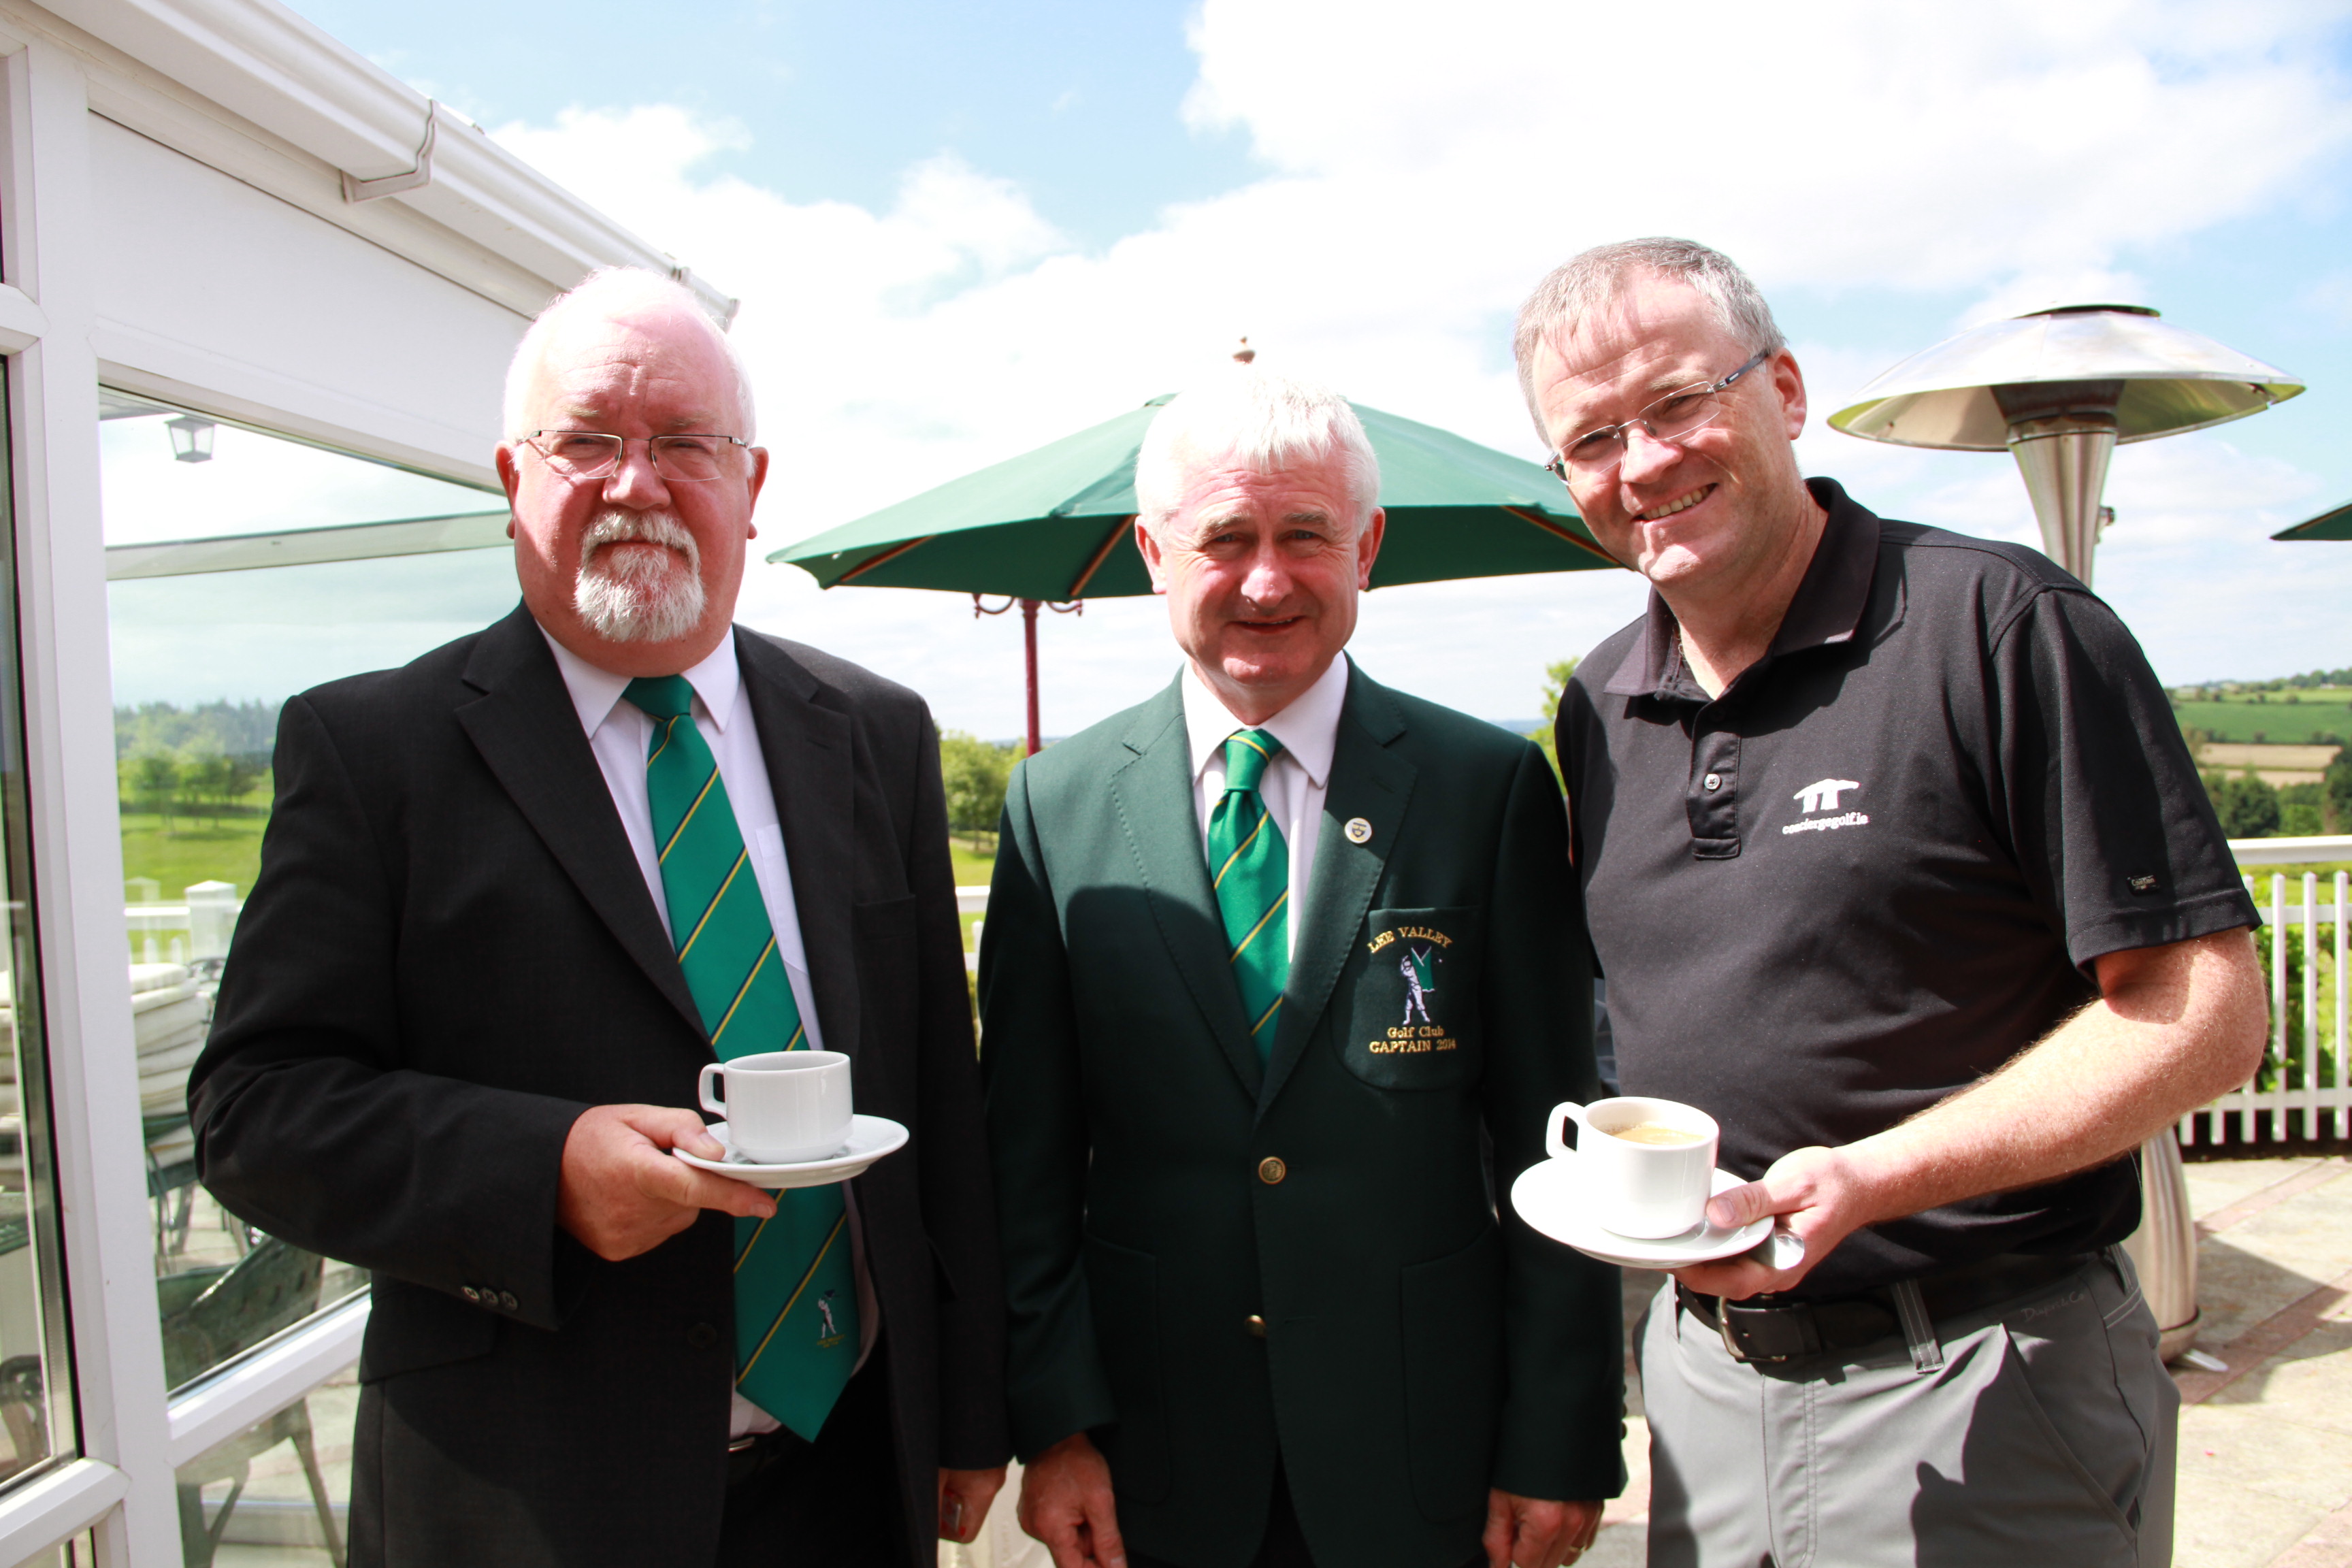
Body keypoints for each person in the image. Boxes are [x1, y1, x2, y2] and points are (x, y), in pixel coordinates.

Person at [191, 267, 1008, 1567]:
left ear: (750, 483)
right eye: (586, 442)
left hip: (853, 1473)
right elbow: (257, 1110)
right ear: (513, 479)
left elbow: (936, 1093)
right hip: (534, 1498)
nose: (638, 483)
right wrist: (544, 1171)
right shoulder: (376, 750)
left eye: (685, 442)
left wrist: (968, 1405)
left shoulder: (873, 732)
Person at [1516, 238, 2268, 1567]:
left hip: (1982, 1371)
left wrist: (1874, 1181)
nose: (1642, 463)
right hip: (1703, 1379)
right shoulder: (1601, 704)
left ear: (1786, 391)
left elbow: (2205, 1012)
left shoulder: (2001, 627)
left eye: (1679, 402)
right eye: (1592, 439)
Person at [979, 370, 1624, 1568]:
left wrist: (1559, 1435)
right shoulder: (1054, 807)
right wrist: (1055, 1425)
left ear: (1367, 547)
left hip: (1425, 1453)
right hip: (1153, 1460)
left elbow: (1554, 1137)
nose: (1267, 581)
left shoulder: (1484, 791)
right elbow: (1024, 1165)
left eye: (1307, 536)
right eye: (1226, 539)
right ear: (1154, 553)